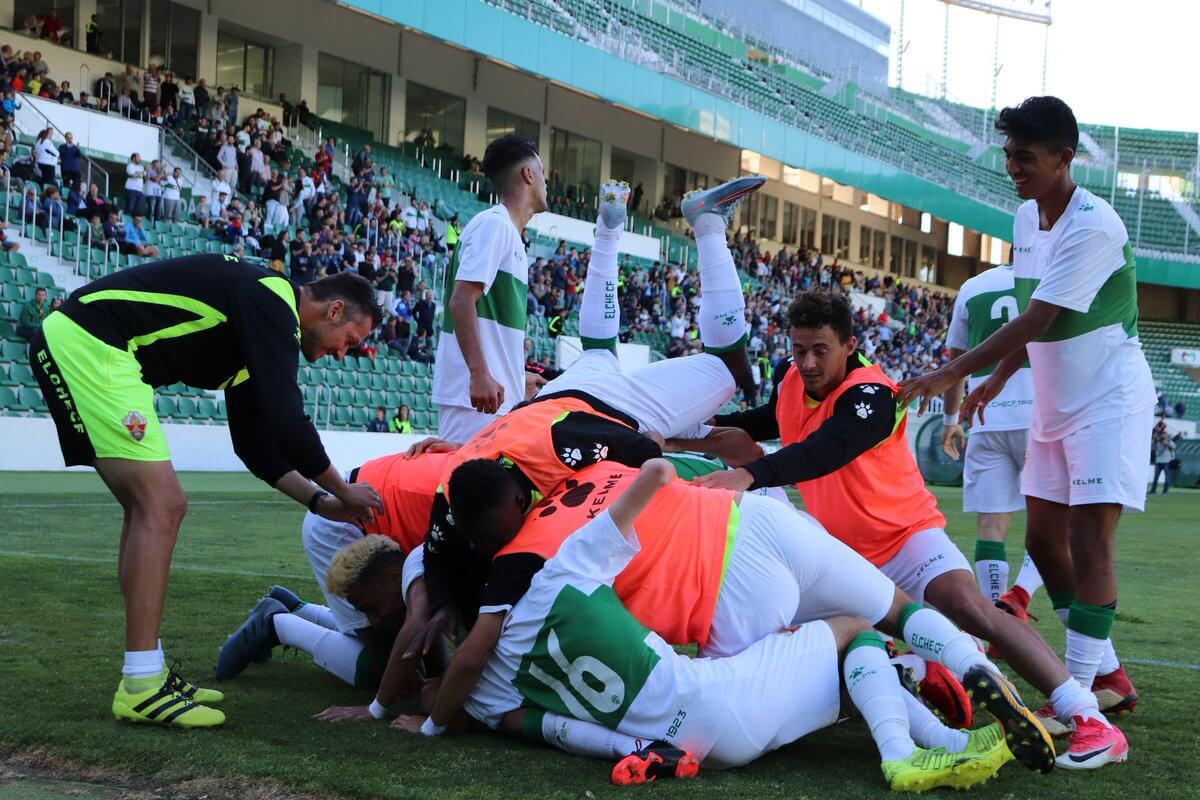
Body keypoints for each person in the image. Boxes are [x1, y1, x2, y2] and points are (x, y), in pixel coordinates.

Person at [341, 461, 1019, 791]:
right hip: (718, 690)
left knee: (834, 676)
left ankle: (954, 742)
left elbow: (554, 729)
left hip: (698, 742)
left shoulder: (492, 704)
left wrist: (429, 721)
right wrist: (655, 476)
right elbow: (653, 477)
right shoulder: (562, 570)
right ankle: (913, 749)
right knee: (856, 627)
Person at [700, 288, 1124, 770]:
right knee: (833, 646)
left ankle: (1088, 718)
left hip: (906, 537)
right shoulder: (791, 383)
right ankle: (921, 679)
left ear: (849, 344)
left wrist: (751, 474)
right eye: (799, 350)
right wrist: (679, 430)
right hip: (840, 554)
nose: (809, 363)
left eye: (821, 350)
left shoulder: (873, 394)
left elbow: (828, 449)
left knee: (972, 609)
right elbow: (760, 422)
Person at [28, 261, 384, 729]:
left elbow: (254, 444)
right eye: (350, 341)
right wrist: (342, 489)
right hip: (91, 344)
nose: (343, 354)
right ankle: (141, 684)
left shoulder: (256, 322)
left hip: (95, 348)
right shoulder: (271, 298)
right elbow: (287, 420)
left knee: (147, 509)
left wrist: (320, 502)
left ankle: (145, 671)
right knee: (163, 505)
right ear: (334, 310)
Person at [900, 97, 1147, 768]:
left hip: (1107, 399)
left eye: (1026, 157)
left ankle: (1090, 701)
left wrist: (946, 373)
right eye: (1009, 155)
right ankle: (1110, 680)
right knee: (1041, 539)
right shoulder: (1024, 214)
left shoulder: (1092, 227)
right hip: (1053, 400)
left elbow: (1037, 317)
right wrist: (997, 380)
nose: (1013, 168)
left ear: (1066, 158)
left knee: (1089, 538)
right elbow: (1038, 319)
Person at [940, 262, 1044, 621]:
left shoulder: (972, 287)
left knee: (991, 524)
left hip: (986, 418)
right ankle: (1020, 595)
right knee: (1055, 523)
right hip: (1041, 416)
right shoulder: (1049, 276)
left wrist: (951, 420)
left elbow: (956, 363)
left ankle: (996, 618)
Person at [431, 135, 544, 442]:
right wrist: (479, 373)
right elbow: (461, 300)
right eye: (542, 173)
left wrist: (516, 377)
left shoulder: (509, 234)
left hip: (494, 402)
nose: (546, 184)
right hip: (475, 402)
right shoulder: (494, 225)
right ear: (528, 175)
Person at [1150, 428, 1175, 494]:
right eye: (1162, 434)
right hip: (1158, 461)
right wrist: (1154, 440)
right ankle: (1153, 490)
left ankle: (1165, 490)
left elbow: (1173, 448)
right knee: (1155, 477)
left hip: (1167, 461)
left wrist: (1165, 442)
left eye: (1164, 434)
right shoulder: (1158, 442)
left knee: (1167, 477)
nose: (1163, 435)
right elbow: (1152, 449)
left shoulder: (1170, 442)